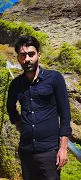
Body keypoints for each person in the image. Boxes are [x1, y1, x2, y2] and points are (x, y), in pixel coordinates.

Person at [6, 35, 72, 180]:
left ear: (38, 55)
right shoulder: (15, 85)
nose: (27, 59)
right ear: (18, 58)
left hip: (49, 152)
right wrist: (19, 125)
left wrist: (63, 148)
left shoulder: (54, 78)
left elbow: (65, 114)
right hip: (26, 151)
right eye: (23, 55)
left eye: (31, 54)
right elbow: (10, 108)